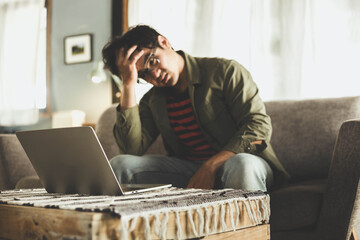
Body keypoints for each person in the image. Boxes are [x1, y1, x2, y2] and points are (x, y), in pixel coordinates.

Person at [102, 25, 289, 192]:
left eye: (152, 61)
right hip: (189, 172)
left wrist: (211, 165)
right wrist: (128, 84)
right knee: (120, 164)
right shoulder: (152, 100)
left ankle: (246, 231)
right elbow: (131, 150)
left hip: (243, 162)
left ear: (164, 42)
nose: (155, 76)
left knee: (242, 164)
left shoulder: (225, 71)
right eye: (143, 75)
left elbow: (259, 129)